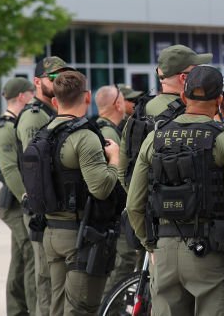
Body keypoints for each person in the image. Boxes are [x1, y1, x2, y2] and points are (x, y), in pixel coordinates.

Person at [126, 65, 224, 315]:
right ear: (220, 99)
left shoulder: (155, 138)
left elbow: (134, 204)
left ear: (184, 97)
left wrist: (150, 244)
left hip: (164, 251)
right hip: (210, 253)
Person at [32, 71, 122, 316]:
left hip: (50, 233)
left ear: (54, 100)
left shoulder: (43, 132)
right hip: (79, 236)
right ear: (87, 97)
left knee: (58, 308)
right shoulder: (84, 136)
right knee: (81, 309)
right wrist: (114, 160)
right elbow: (101, 188)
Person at [16, 55, 73, 316]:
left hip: (55, 207)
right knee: (46, 279)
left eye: (62, 75)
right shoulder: (34, 117)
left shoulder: (52, 112)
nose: (59, 80)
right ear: (38, 82)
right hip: (42, 209)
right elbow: (32, 167)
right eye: (53, 77)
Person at [119, 44, 210, 185]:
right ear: (183, 78)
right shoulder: (197, 112)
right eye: (196, 72)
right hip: (193, 201)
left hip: (149, 202)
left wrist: (144, 203)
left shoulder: (138, 114)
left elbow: (124, 172)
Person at [0, 77, 36, 316]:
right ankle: (30, 309)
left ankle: (17, 310)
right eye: (31, 93)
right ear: (21, 96)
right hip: (15, 203)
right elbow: (9, 171)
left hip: (19, 202)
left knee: (20, 259)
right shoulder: (4, 129)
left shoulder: (15, 124)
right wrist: (27, 198)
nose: (34, 97)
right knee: (30, 253)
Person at [93, 85, 139, 296]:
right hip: (114, 211)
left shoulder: (101, 128)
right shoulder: (109, 132)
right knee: (124, 262)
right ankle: (110, 306)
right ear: (118, 104)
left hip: (108, 211)